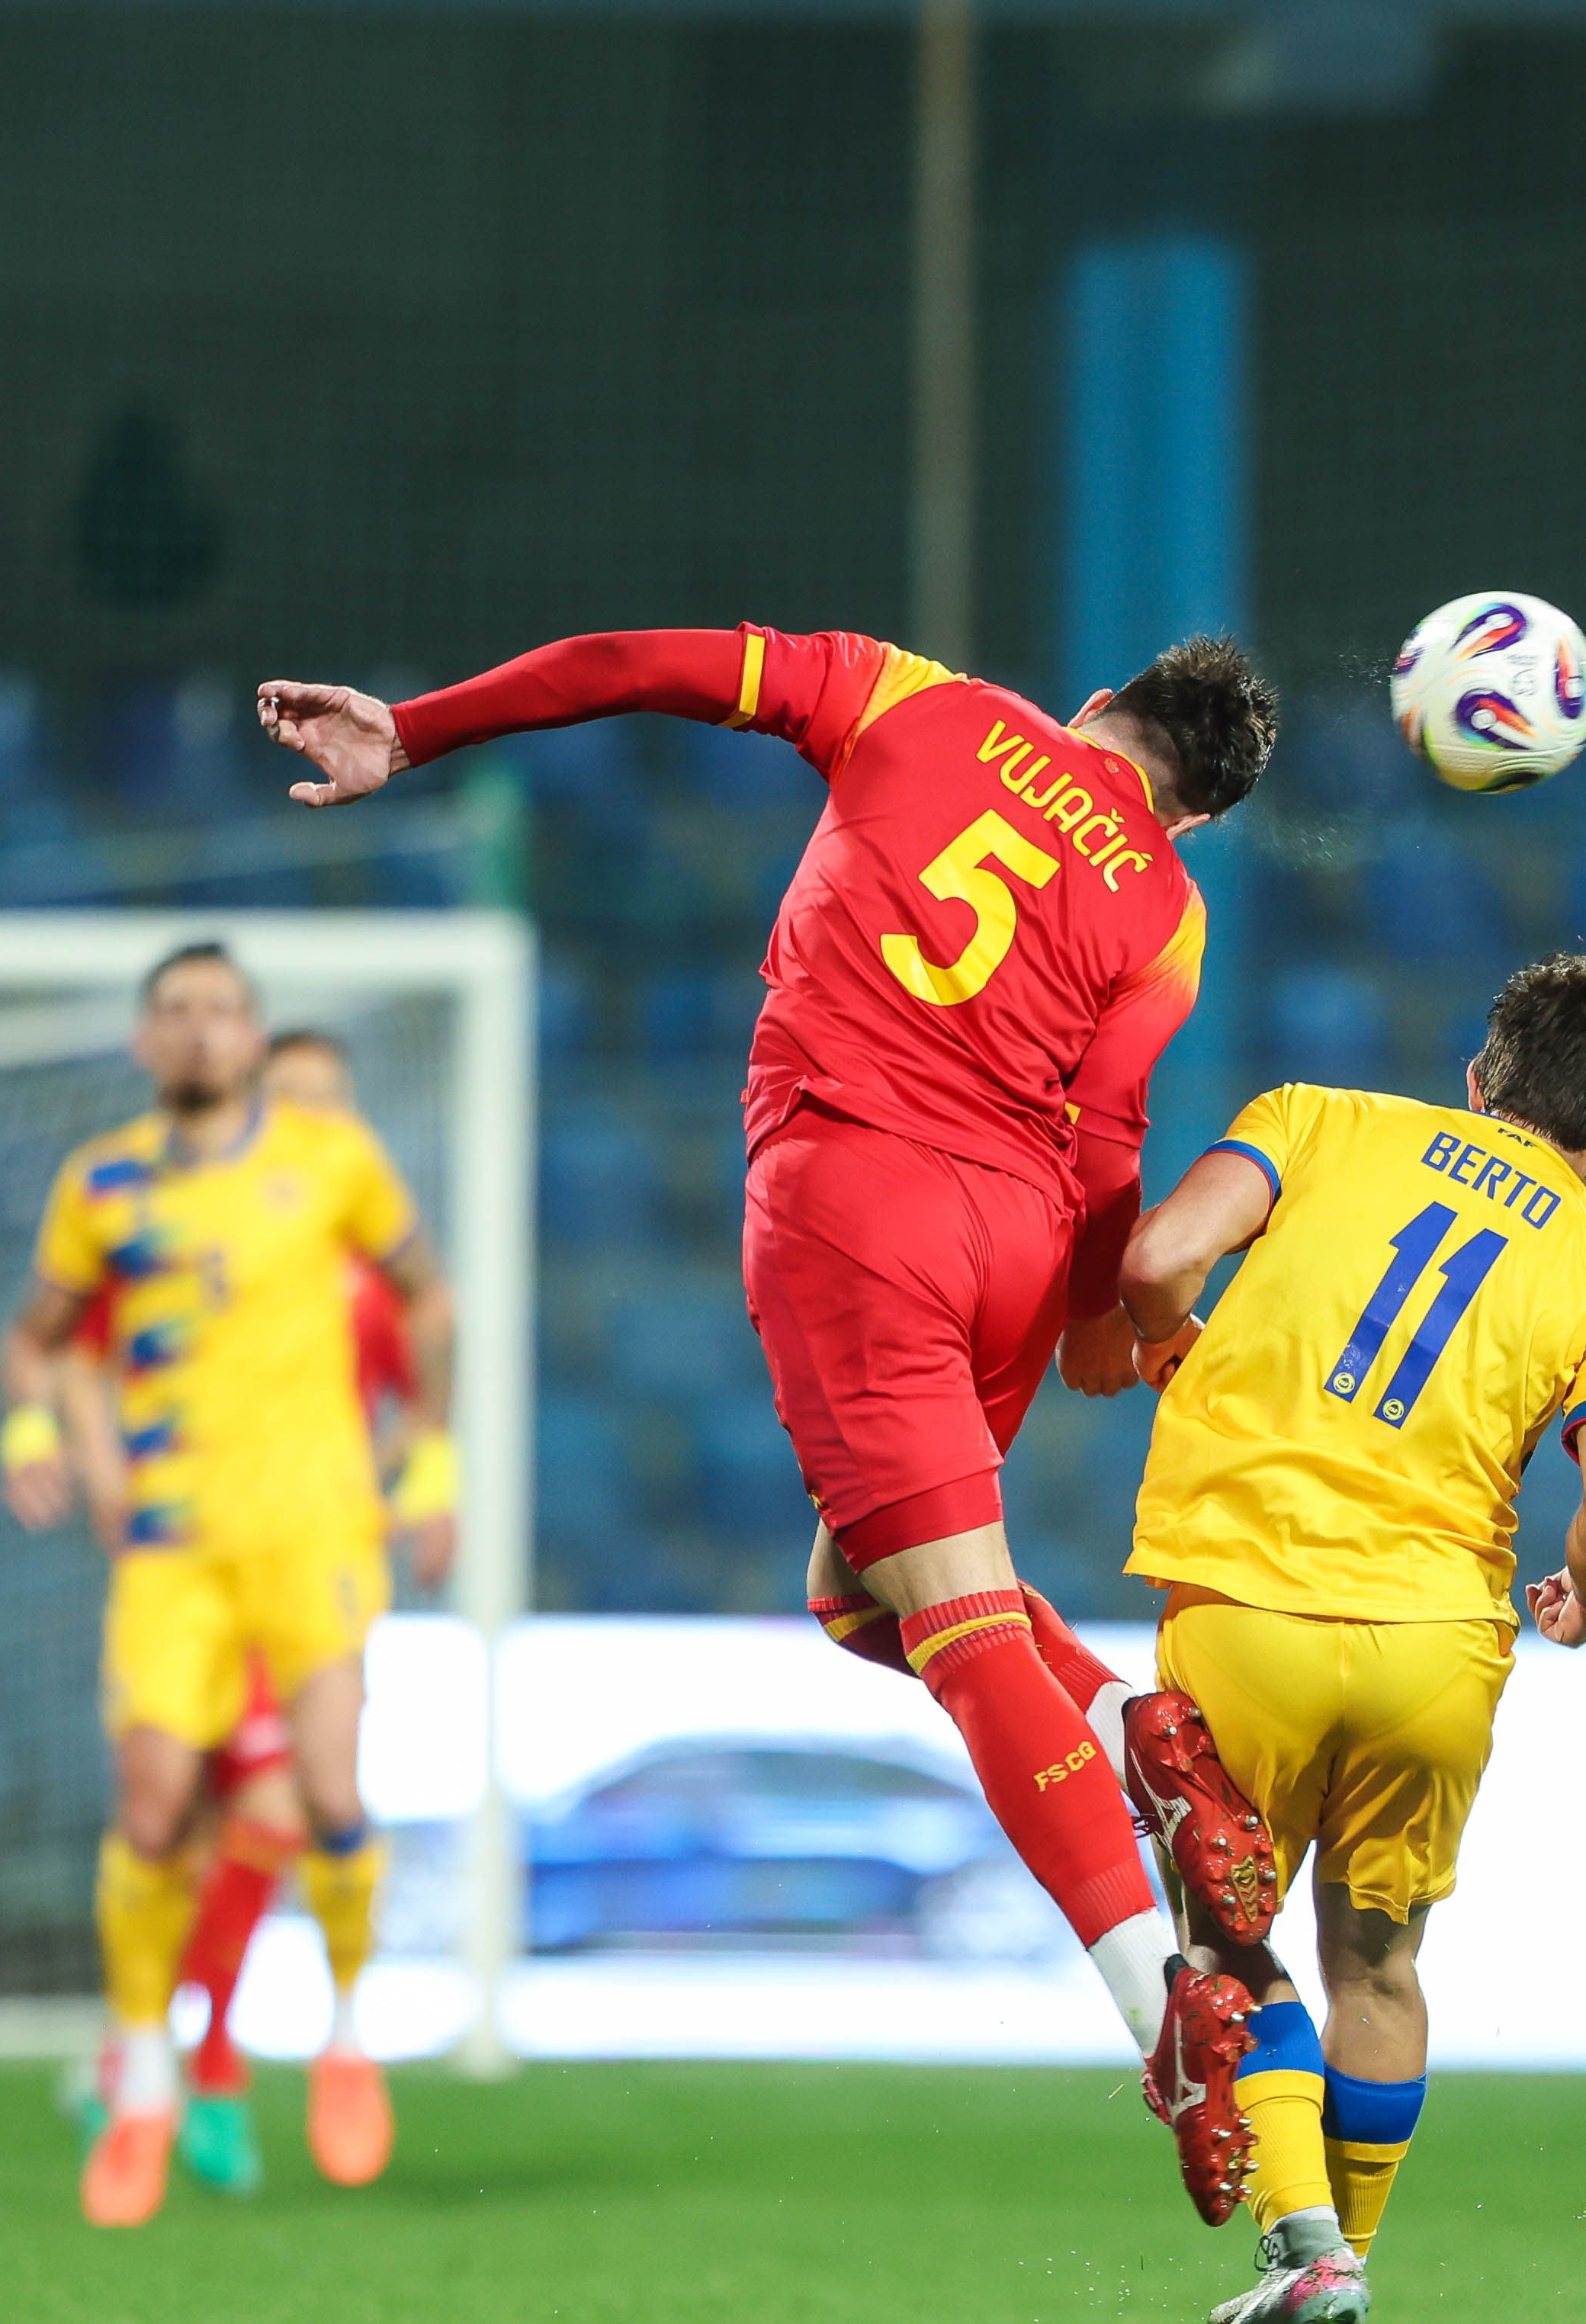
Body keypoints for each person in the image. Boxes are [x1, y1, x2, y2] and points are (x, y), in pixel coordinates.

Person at [258, 626, 1292, 2214]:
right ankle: (1137, 1739)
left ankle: (1165, 2012)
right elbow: (1110, 1142)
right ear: (1195, 810)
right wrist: (1097, 1314)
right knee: (861, 1594)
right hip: (1010, 1242)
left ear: (1097, 703)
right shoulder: (1170, 909)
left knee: (951, 1628)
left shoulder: (916, 694)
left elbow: (637, 661)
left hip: (858, 1191)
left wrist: (420, 722)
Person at [1111, 947, 1586, 2324]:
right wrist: (1585, 1603)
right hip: (1437, 1643)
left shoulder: (1314, 1119)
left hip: (1246, 1599)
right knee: (1378, 1967)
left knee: (1226, 1944)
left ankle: (1299, 2242)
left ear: (1478, 1075)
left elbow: (1159, 1261)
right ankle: (1340, 2252)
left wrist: (1170, 1345)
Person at [0, 947, 455, 2227]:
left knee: (322, 1795)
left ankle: (347, 2035)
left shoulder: (335, 1170)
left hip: (315, 1535)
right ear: (145, 1039)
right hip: (176, 1545)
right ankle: (145, 2064)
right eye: (176, 1011)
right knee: (152, 1805)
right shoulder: (100, 1185)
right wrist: (38, 1437)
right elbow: (41, 1342)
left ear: (254, 1037)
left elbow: (428, 1300)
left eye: (223, 1009)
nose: (200, 1031)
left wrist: (435, 1459)